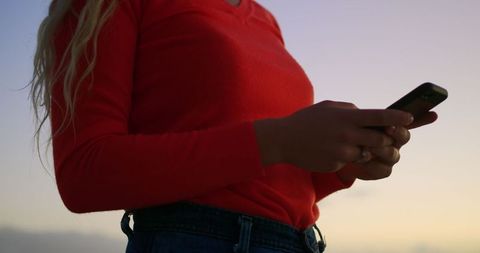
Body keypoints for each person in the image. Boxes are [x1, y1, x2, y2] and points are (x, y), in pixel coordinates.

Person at [29, 0, 438, 252]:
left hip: (297, 241)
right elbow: (85, 173)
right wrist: (280, 139)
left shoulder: (263, 18)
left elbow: (261, 170)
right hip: (194, 240)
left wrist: (348, 163)